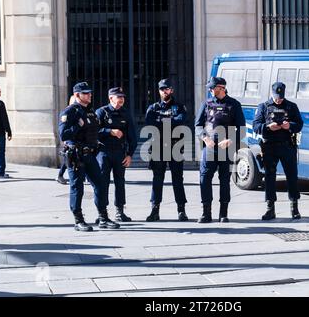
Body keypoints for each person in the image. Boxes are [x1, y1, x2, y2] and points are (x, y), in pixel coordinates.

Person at [59, 82, 120, 232]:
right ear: (77, 95)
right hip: (76, 156)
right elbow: (63, 134)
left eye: (89, 92)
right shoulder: (70, 112)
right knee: (77, 188)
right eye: (86, 93)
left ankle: (103, 218)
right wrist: (78, 125)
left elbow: (95, 130)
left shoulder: (91, 111)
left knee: (100, 185)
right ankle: (78, 220)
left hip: (90, 154)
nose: (89, 95)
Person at [195, 77, 246, 223]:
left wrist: (231, 140)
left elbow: (241, 129)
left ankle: (223, 213)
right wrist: (205, 138)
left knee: (224, 180)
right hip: (210, 147)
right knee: (204, 178)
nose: (210, 90)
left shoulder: (234, 104)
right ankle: (206, 212)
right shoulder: (206, 103)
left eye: (213, 87)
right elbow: (198, 125)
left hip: (226, 148)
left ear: (221, 88)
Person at [253, 82, 304, 221]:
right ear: (272, 93)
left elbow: (299, 124)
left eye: (281, 97)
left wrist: (290, 126)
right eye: (276, 97)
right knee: (269, 177)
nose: (278, 100)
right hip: (269, 147)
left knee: (292, 176)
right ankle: (270, 208)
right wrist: (268, 127)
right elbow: (255, 126)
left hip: (287, 146)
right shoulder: (263, 107)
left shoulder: (291, 106)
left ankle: (294, 208)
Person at [145, 79, 189, 222]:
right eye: (162, 89)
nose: (165, 91)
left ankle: (181, 210)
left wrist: (161, 120)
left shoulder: (180, 107)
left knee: (178, 180)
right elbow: (150, 123)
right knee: (157, 179)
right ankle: (154, 210)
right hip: (158, 147)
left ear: (172, 90)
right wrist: (170, 120)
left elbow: (181, 121)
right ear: (159, 91)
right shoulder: (152, 107)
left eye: (167, 89)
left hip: (175, 146)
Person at [96, 87, 138, 223]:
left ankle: (120, 212)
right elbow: (93, 132)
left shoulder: (125, 114)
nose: (121, 100)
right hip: (103, 153)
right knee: (103, 183)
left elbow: (132, 136)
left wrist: (130, 154)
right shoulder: (101, 112)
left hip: (120, 153)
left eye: (122, 97)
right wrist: (110, 131)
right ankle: (102, 213)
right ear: (111, 98)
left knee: (120, 182)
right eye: (118, 97)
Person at [57, 95, 77, 185]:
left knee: (69, 158)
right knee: (67, 158)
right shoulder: (67, 112)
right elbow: (63, 129)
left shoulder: (79, 111)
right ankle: (60, 175)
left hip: (76, 140)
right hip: (69, 140)